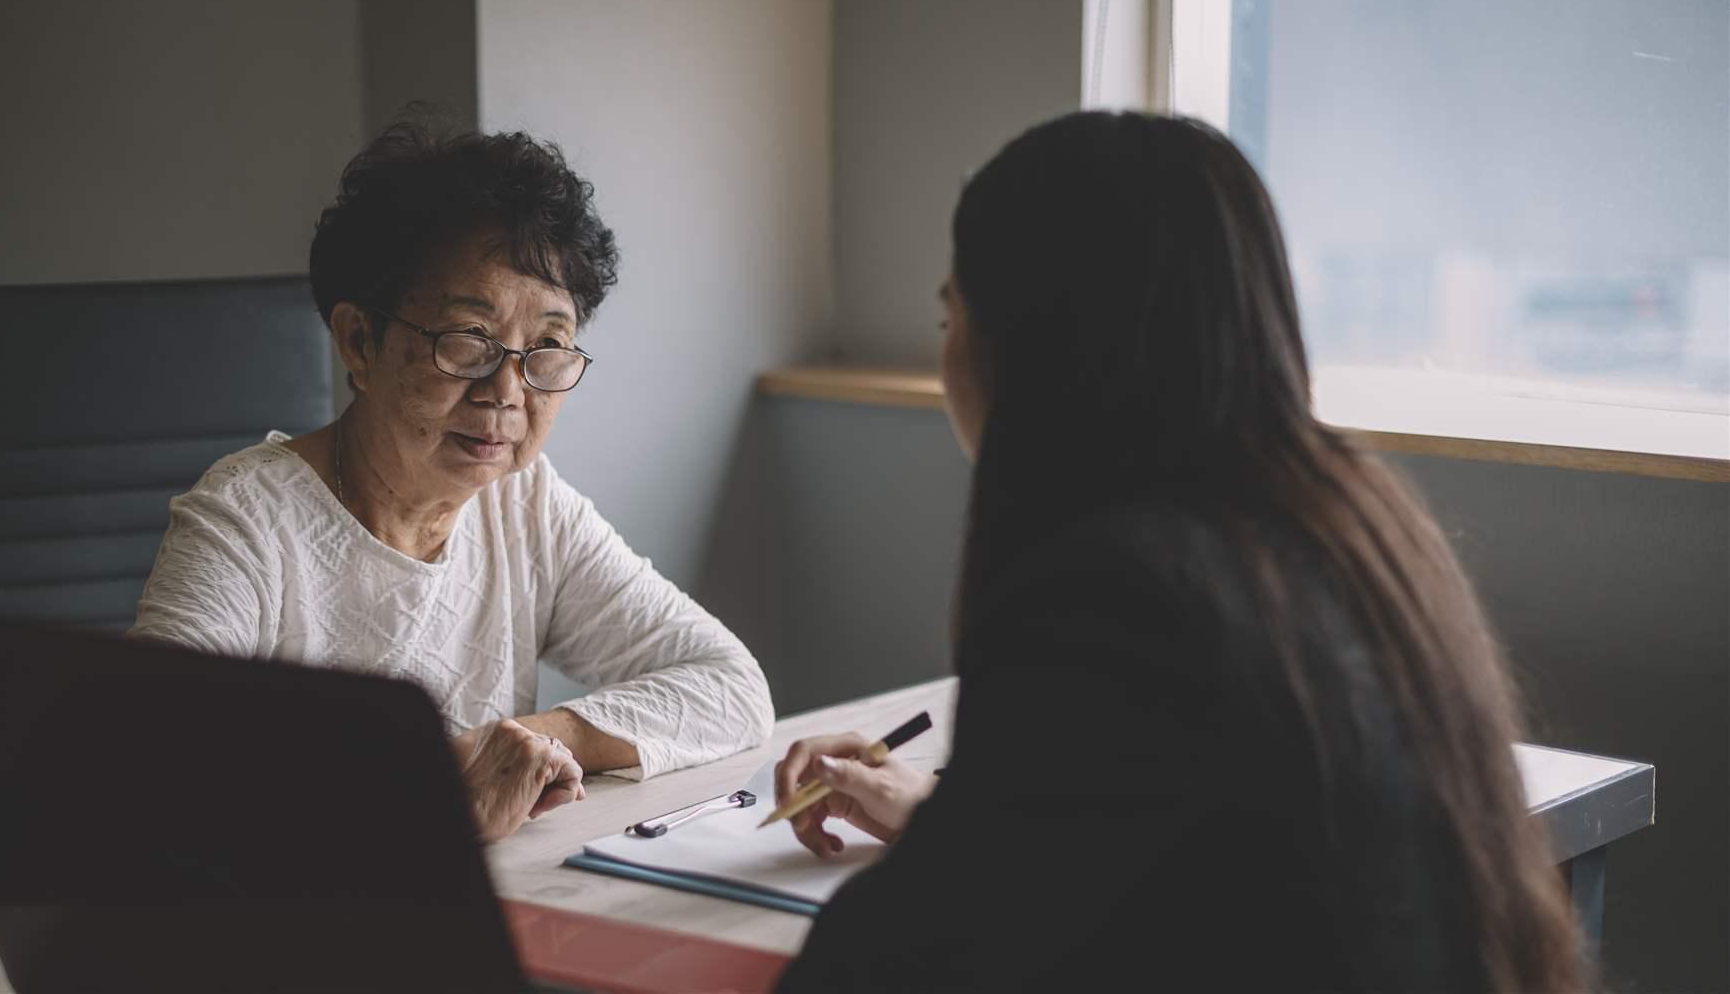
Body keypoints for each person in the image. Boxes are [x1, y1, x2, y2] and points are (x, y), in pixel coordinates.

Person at [771, 112, 1588, 991]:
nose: (949, 355)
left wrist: (954, 848)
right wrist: (955, 819)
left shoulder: (1113, 591)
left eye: (952, 314)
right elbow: (1210, 847)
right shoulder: (1350, 527)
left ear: (1039, 339)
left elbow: (900, 953)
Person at [133, 115, 774, 841]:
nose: (507, 391)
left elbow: (728, 685)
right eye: (469, 339)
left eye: (548, 347)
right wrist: (432, 788)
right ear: (359, 340)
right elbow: (150, 772)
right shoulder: (248, 518)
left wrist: (533, 736)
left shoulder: (524, 503)